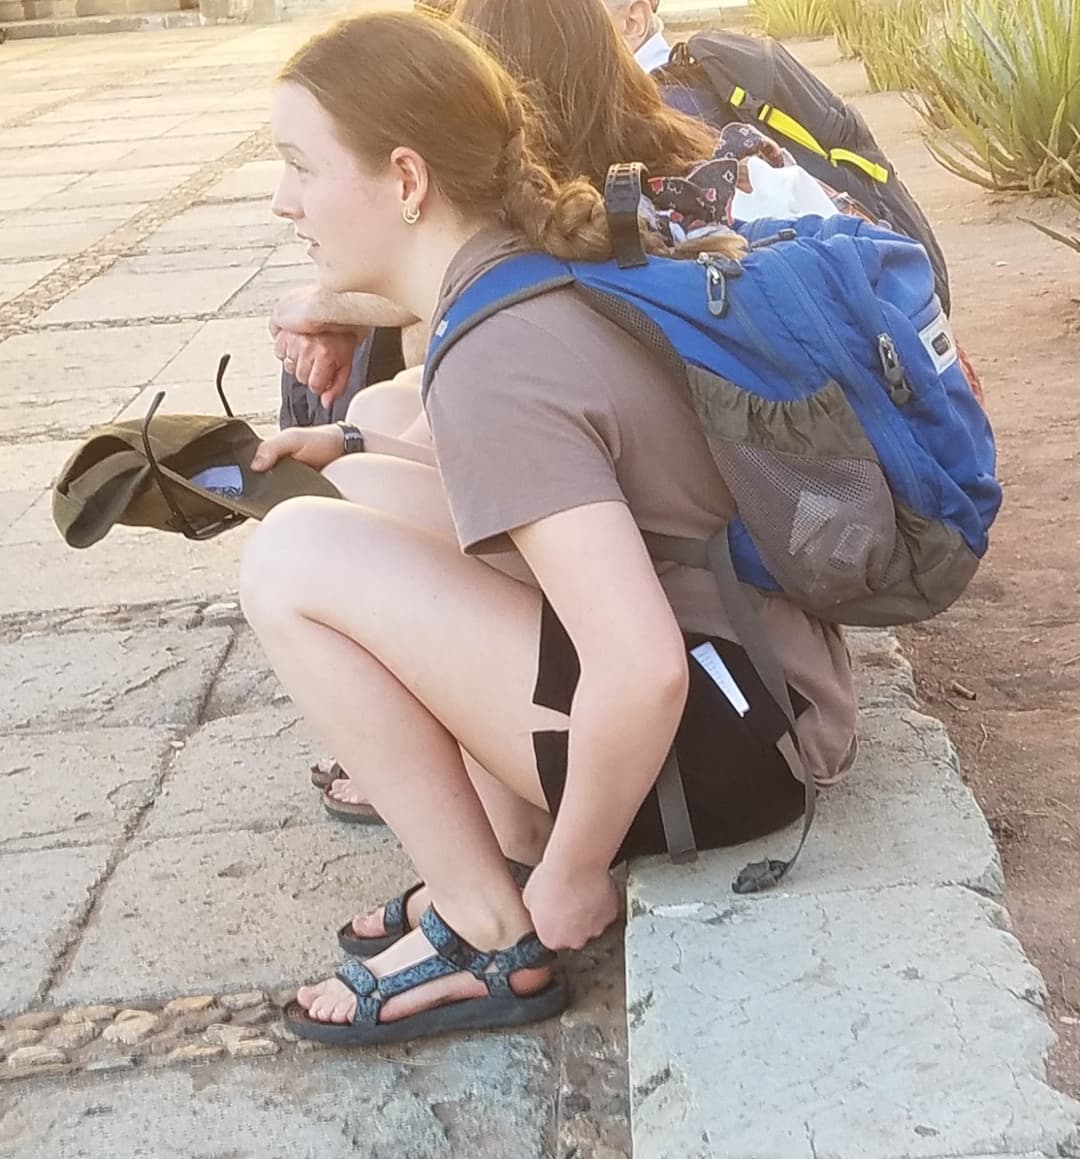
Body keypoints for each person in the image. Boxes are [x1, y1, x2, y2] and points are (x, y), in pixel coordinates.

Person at [244, 9, 857, 1044]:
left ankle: (490, 925)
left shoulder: (496, 354)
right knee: (347, 495)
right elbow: (572, 510)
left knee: (291, 558)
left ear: (405, 178)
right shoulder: (514, 284)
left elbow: (642, 666)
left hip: (732, 743)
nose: (282, 198)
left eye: (301, 166)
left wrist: (575, 877)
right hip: (761, 684)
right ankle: (507, 843)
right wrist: (357, 453)